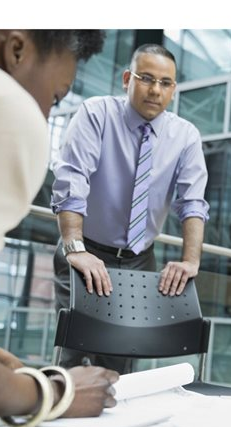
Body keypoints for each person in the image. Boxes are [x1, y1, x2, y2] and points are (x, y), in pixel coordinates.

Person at [0, 30, 120, 427]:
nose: (45, 117)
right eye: (55, 98)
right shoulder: (0, 105)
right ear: (16, 50)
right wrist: (55, 392)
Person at [50, 43, 209, 372]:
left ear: (173, 89)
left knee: (120, 364)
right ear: (127, 79)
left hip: (139, 261)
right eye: (146, 78)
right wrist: (75, 248)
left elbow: (193, 202)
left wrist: (190, 260)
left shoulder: (185, 137)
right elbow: (72, 180)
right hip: (84, 252)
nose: (155, 90)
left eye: (165, 83)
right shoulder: (97, 114)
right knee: (72, 357)